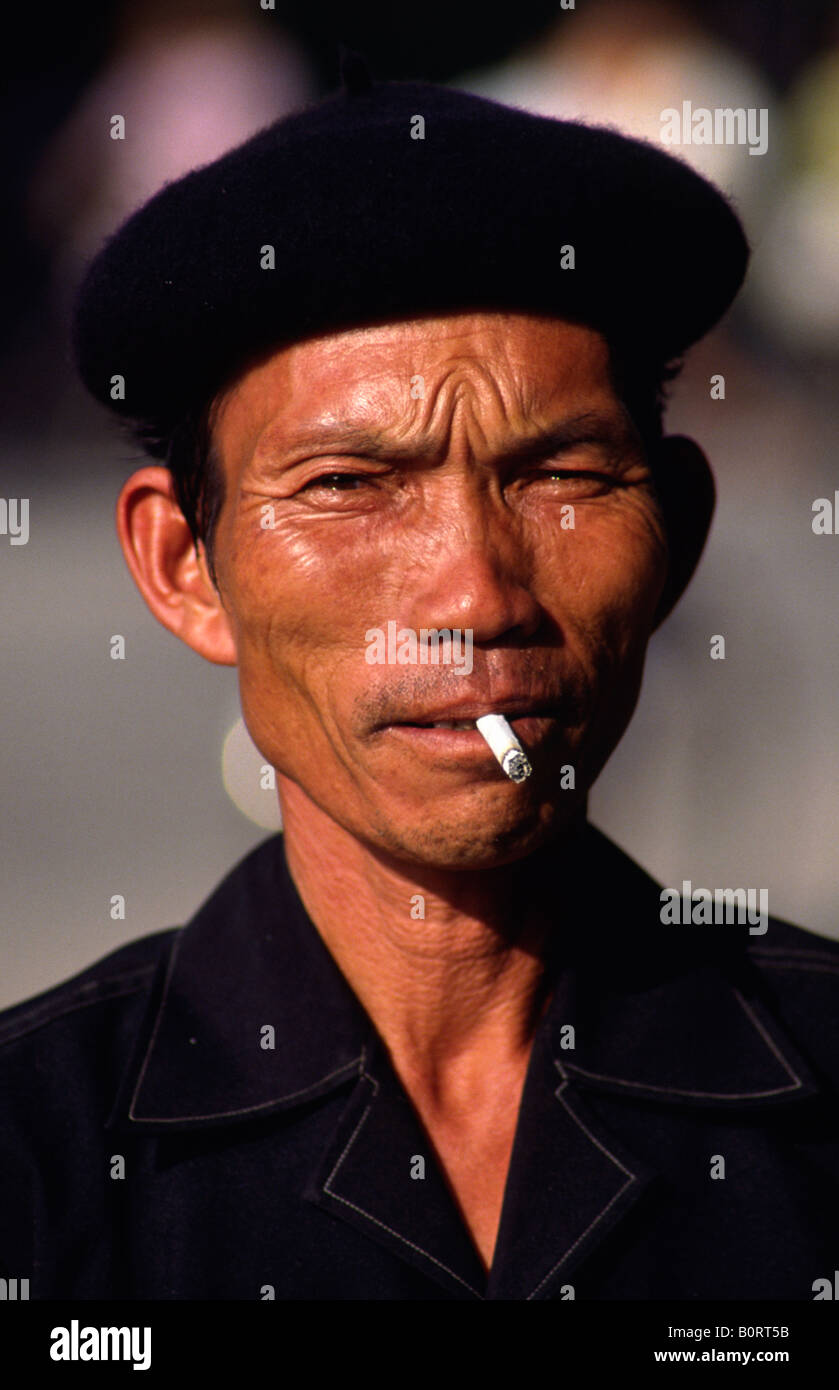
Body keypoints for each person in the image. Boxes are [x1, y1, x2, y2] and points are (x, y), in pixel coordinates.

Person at [2, 70, 838, 1303]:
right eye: (348, 483)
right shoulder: (38, 1161)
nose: (476, 595)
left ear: (680, 535)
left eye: (559, 474)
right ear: (184, 569)